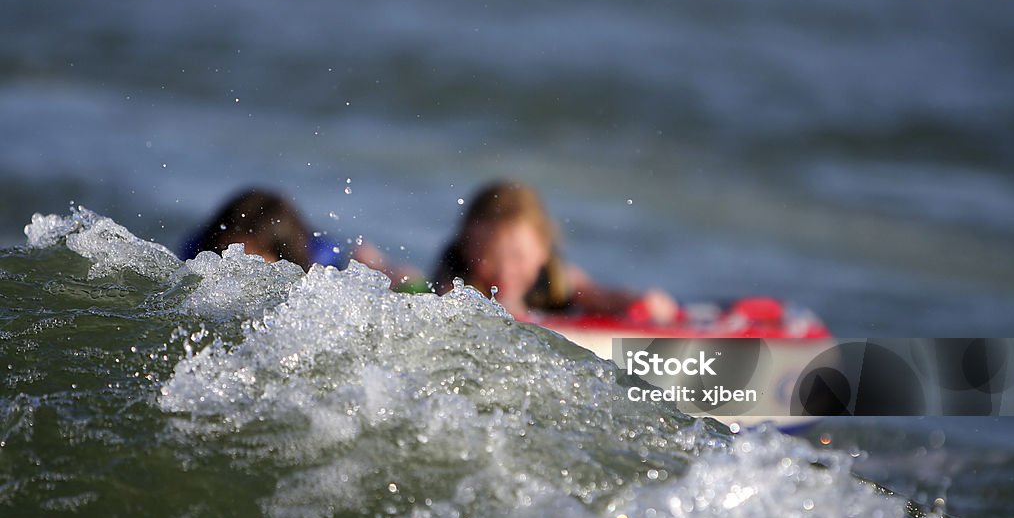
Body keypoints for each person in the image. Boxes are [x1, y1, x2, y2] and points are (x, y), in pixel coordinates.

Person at [432, 180, 679, 322]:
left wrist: (638, 301)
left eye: (518, 257)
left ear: (543, 250)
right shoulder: (457, 278)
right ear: (465, 247)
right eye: (488, 257)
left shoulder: (557, 277)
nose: (505, 270)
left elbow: (598, 296)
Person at [181, 188, 426, 290]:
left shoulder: (323, 266)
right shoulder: (195, 253)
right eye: (228, 252)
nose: (235, 265)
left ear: (282, 257)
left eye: (253, 259)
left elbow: (414, 282)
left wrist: (383, 270)